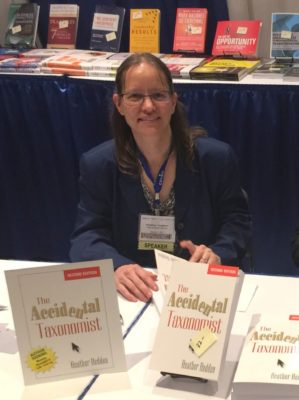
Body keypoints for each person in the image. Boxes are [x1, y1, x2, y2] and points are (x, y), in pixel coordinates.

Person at [70, 52, 251, 302]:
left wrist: (218, 254)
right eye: (135, 96)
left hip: (201, 290)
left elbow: (237, 222)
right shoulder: (98, 164)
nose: (148, 106)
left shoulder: (216, 158)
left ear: (173, 101)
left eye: (158, 95)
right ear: (119, 104)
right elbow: (86, 237)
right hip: (138, 293)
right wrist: (117, 267)